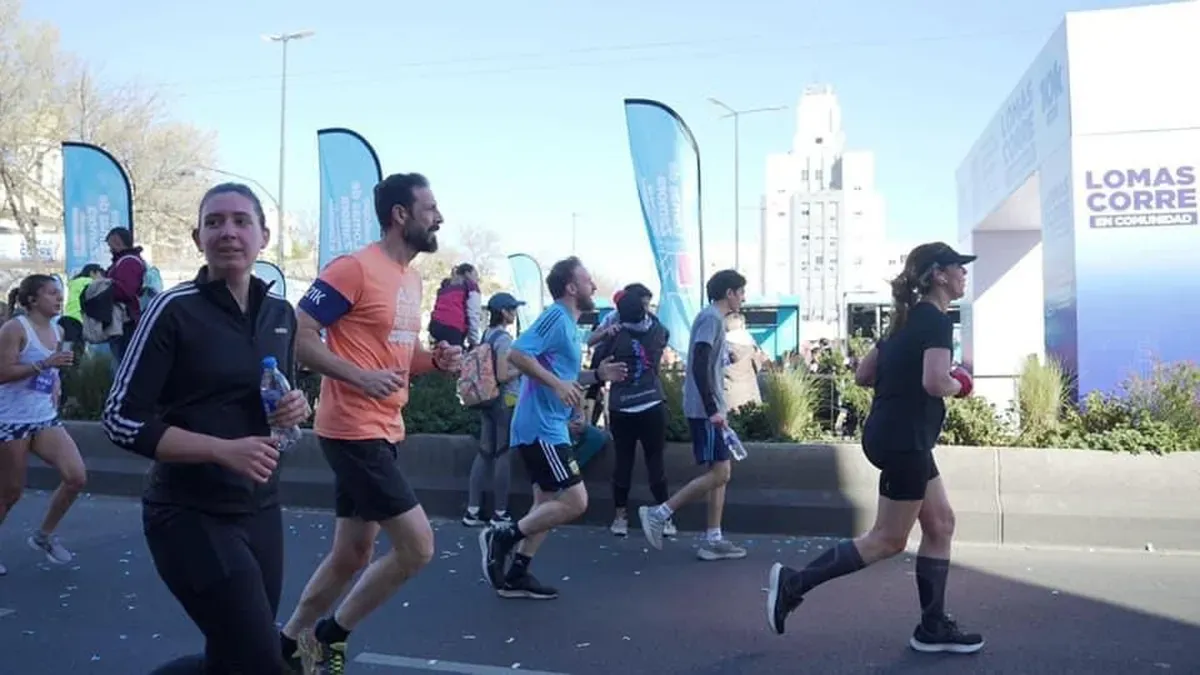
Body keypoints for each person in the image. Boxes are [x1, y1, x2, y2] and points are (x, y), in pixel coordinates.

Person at [101, 182, 312, 674]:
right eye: (214, 222)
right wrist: (222, 450)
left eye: (241, 221)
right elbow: (119, 419)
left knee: (232, 657)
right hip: (188, 514)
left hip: (260, 506)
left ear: (264, 235)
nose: (228, 232)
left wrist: (293, 408)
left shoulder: (280, 314)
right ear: (197, 238)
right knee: (261, 662)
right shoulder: (173, 310)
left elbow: (270, 397)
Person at [280, 172, 463, 675]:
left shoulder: (411, 278)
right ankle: (329, 635)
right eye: (430, 208)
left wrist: (434, 361)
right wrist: (358, 377)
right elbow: (299, 334)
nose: (439, 218)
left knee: (352, 556)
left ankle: (290, 644)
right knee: (418, 547)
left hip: (385, 428)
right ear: (400, 215)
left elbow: (396, 358)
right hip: (353, 430)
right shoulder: (354, 268)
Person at [765, 242, 984, 655]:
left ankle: (932, 627)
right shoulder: (935, 323)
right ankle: (794, 583)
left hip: (895, 436)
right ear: (939, 274)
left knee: (941, 524)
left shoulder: (903, 322)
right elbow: (935, 383)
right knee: (887, 539)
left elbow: (865, 374)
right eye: (959, 267)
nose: (964, 274)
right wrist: (962, 383)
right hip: (905, 441)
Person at [479, 256, 627, 600]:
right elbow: (517, 354)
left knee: (544, 504)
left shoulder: (570, 328)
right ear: (572, 288)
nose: (593, 286)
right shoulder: (555, 317)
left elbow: (564, 377)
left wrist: (596, 376)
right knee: (575, 501)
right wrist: (559, 387)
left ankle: (517, 574)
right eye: (588, 280)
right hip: (540, 428)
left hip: (552, 426)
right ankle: (502, 536)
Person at [639, 269, 748, 561]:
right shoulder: (711, 318)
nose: (743, 298)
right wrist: (713, 409)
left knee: (719, 473)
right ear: (729, 293)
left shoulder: (712, 319)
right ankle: (660, 513)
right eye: (741, 292)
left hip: (709, 407)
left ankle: (714, 536)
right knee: (721, 472)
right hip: (705, 410)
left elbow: (705, 360)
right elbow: (699, 361)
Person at [0, 275, 83, 575]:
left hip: (43, 416)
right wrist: (43, 365)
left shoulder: (57, 329)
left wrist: (55, 383)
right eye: (51, 294)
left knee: (76, 477)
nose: (59, 299)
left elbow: (52, 369)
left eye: (59, 294)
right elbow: (2, 372)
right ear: (32, 300)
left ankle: (43, 536)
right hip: (10, 419)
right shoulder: (14, 329)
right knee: (9, 493)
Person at [591, 286, 676, 538]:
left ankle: (620, 517)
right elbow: (664, 334)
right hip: (652, 403)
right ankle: (665, 517)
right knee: (655, 463)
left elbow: (597, 362)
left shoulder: (615, 335)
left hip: (622, 406)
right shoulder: (659, 330)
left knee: (623, 462)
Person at [462, 291, 525, 527]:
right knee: (502, 454)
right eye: (513, 309)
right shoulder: (504, 340)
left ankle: (472, 510)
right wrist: (525, 368)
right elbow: (502, 374)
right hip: (505, 400)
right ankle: (500, 513)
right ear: (505, 312)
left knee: (484, 452)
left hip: (486, 399)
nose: (515, 313)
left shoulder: (487, 335)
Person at [104, 227, 148, 362]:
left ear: (117, 241)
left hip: (126, 323)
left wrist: (104, 286)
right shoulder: (127, 261)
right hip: (125, 321)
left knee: (123, 364)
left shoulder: (129, 262)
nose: (109, 249)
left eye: (110, 244)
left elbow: (127, 291)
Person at [428, 262, 482, 349]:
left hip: (435, 325)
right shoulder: (471, 287)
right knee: (453, 358)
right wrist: (473, 341)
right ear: (467, 274)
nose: (477, 278)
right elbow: (473, 313)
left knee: (439, 356)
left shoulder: (446, 286)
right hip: (453, 327)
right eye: (475, 275)